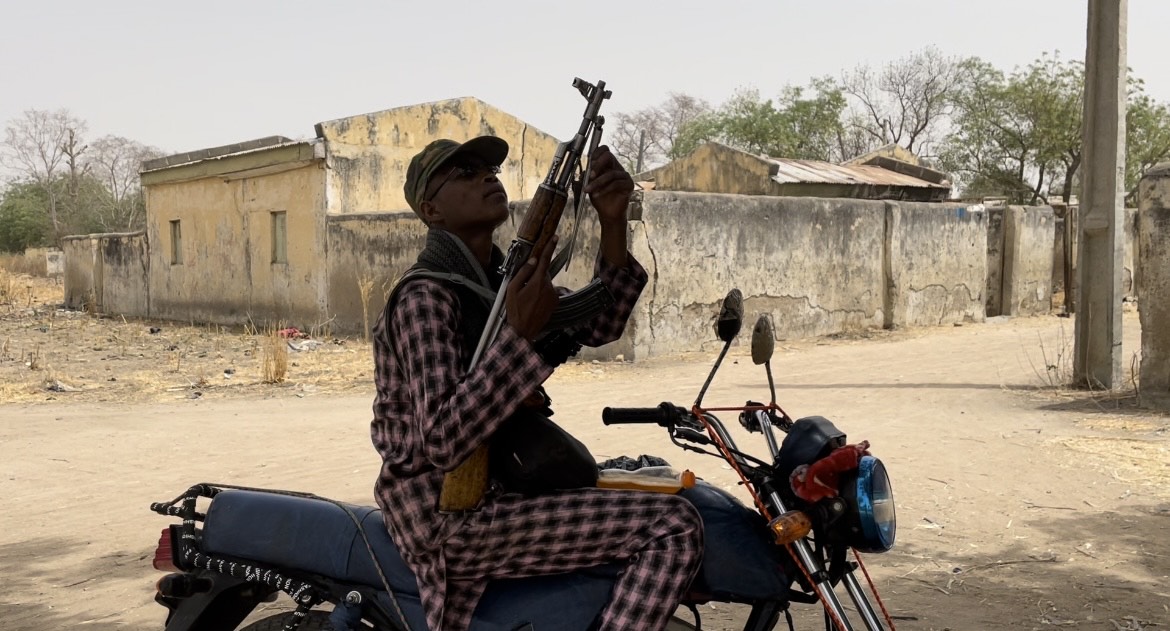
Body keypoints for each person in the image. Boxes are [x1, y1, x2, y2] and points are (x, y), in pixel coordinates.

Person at [369, 135, 704, 631]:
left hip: (504, 485)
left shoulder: (497, 283)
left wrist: (612, 219)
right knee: (673, 528)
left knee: (662, 481)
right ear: (430, 209)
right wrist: (521, 338)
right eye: (464, 173)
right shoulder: (426, 297)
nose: (487, 176)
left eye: (489, 170)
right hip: (448, 514)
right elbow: (441, 440)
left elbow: (598, 324)